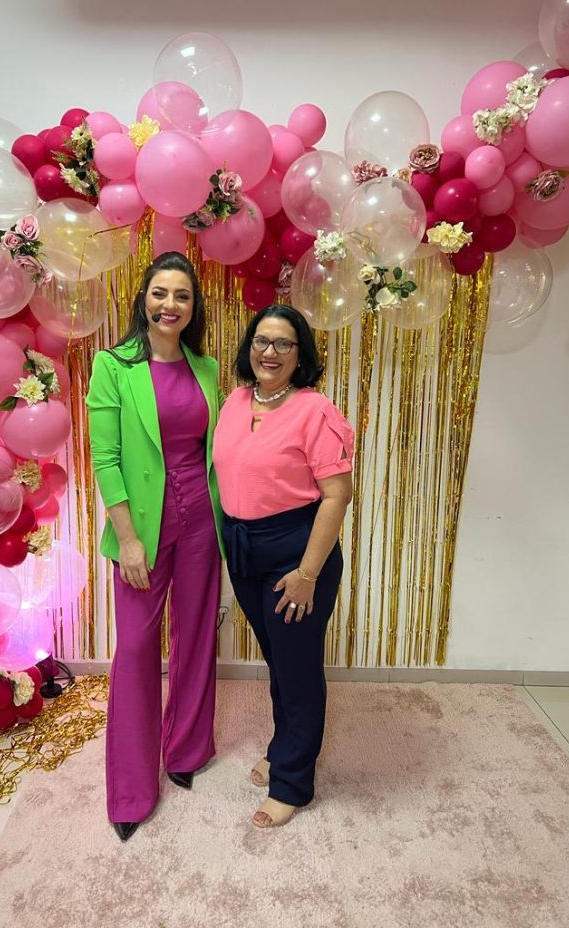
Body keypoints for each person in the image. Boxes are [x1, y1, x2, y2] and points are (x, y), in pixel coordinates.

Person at [85, 251, 223, 842]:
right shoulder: (114, 365)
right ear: (144, 299)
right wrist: (128, 539)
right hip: (141, 529)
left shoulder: (207, 368)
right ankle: (131, 791)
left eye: (182, 295)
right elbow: (106, 458)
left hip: (202, 524)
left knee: (196, 636)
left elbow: (217, 447)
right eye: (160, 293)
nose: (170, 305)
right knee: (138, 649)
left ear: (194, 306)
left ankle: (187, 750)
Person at [213, 304, 354, 829]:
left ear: (301, 354)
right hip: (244, 548)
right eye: (261, 341)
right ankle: (282, 747)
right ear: (249, 346)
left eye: (283, 343)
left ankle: (292, 782)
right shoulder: (235, 401)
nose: (269, 352)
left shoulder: (315, 410)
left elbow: (336, 496)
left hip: (296, 553)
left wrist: (308, 574)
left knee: (297, 670)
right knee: (279, 661)